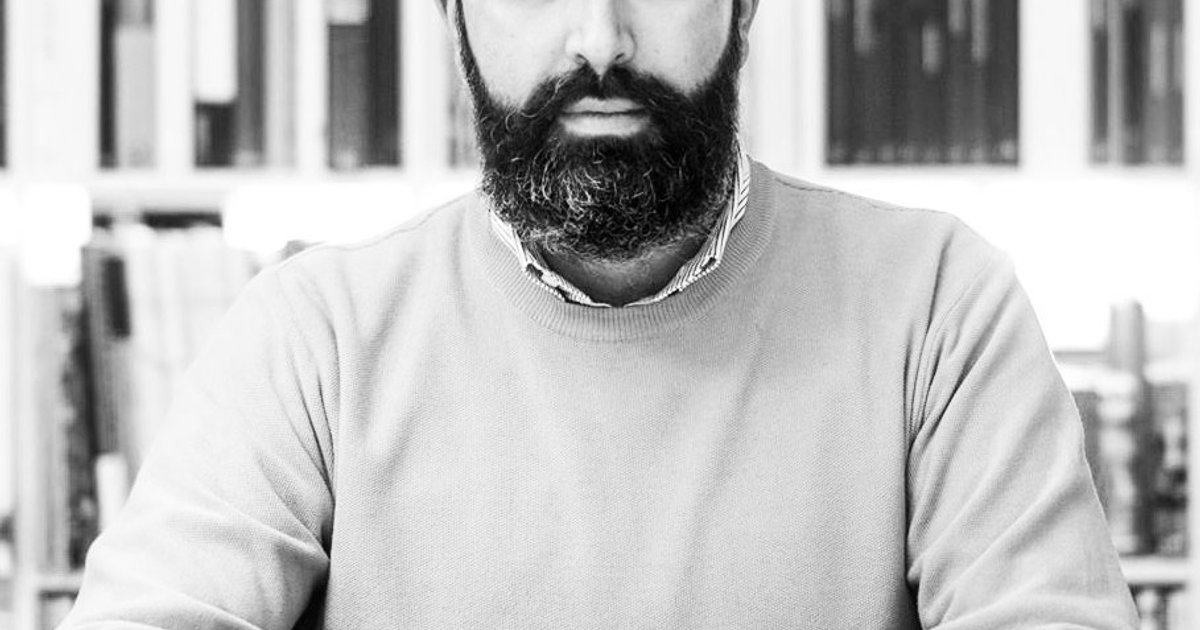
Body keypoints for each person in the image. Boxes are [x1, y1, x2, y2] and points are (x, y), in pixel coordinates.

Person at [62, 0, 1138, 627]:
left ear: (745, 4)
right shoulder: (309, 341)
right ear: (451, 13)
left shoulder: (942, 309)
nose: (601, 40)